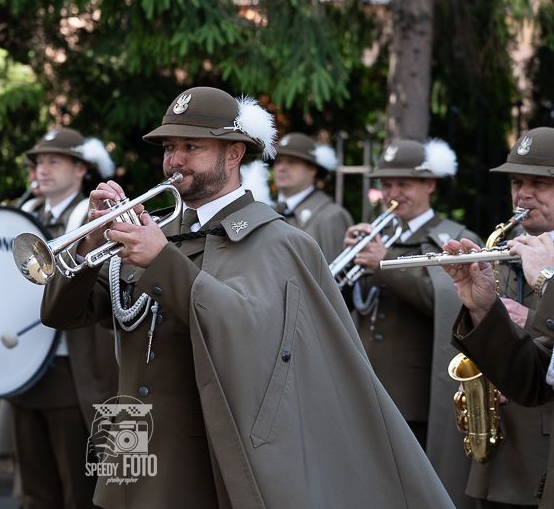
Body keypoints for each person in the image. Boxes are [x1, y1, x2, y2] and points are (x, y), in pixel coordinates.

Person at [39, 86, 454, 508]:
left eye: (191, 147)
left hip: (198, 454)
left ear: (234, 154)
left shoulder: (276, 241)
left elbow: (252, 333)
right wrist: (87, 247)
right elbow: (60, 314)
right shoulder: (158, 232)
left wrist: (163, 260)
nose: (174, 161)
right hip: (127, 440)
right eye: (168, 147)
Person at [340, 139, 479, 507]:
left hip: (415, 396)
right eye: (386, 185)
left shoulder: (454, 238)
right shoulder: (378, 236)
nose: (393, 193)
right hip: (367, 387)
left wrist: (384, 266)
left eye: (404, 184)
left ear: (430, 184)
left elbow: (451, 303)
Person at [5, 128, 119, 509]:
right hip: (25, 367)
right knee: (33, 490)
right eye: (38, 162)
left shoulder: (93, 218)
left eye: (54, 160)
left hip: (76, 372)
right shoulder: (23, 216)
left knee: (77, 488)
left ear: (81, 170)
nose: (43, 169)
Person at [446, 127, 554, 509]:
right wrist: (482, 312)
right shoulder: (505, 252)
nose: (523, 194)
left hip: (543, 450)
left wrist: (543, 290)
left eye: (539, 182)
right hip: (497, 447)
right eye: (516, 181)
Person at [270, 132, 353, 261]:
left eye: (292, 161)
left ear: (313, 169)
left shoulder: (330, 216)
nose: (281, 167)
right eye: (278, 161)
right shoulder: (264, 208)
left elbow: (332, 277)